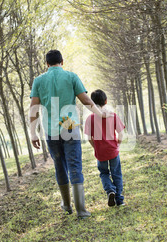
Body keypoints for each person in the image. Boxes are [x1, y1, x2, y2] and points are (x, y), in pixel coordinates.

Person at [29, 50, 108, 219]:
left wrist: (33, 133)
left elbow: (33, 108)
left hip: (50, 129)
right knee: (74, 164)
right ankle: (81, 209)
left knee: (59, 165)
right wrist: (100, 114)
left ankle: (66, 205)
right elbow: (86, 100)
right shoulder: (71, 77)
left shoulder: (38, 81)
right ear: (62, 62)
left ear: (47, 64)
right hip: (69, 125)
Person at [84, 89, 125, 207]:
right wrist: (118, 145)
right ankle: (119, 200)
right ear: (106, 101)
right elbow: (121, 133)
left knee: (103, 173)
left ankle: (110, 190)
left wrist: (95, 147)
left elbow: (89, 138)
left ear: (92, 103)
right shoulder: (113, 116)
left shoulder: (90, 119)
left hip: (100, 152)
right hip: (113, 150)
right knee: (116, 173)